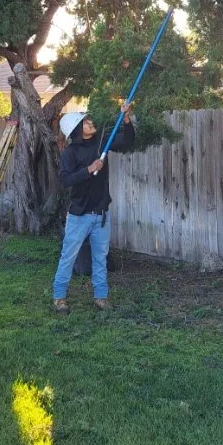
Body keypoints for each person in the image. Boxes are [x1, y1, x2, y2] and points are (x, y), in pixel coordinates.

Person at [52, 102, 134, 314]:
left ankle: (101, 297)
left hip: (101, 214)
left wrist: (125, 119)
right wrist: (89, 169)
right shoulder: (70, 153)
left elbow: (127, 141)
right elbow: (64, 180)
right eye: (85, 122)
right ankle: (59, 297)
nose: (90, 122)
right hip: (79, 215)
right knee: (68, 257)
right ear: (77, 130)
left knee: (100, 258)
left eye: (88, 120)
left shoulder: (101, 144)